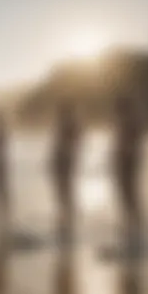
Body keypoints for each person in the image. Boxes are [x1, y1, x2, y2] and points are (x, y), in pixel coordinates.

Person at [113, 95, 145, 251]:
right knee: (125, 194)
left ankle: (137, 228)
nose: (118, 112)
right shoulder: (125, 120)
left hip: (129, 162)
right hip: (124, 162)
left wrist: (126, 153)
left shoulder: (132, 120)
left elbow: (134, 142)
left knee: (130, 194)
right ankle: (131, 226)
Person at [51, 100, 81, 246]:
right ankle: (65, 221)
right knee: (62, 192)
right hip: (61, 161)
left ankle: (68, 223)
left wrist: (68, 154)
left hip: (65, 161)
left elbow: (76, 142)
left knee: (65, 191)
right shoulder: (65, 124)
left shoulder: (71, 123)